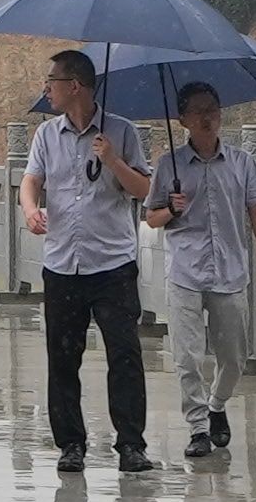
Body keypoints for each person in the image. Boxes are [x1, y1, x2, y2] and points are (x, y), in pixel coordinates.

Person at [21, 49, 157, 475]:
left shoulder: (122, 131)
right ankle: (71, 444)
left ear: (75, 85)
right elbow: (31, 179)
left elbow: (143, 191)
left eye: (52, 81)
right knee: (63, 357)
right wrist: (30, 208)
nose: (47, 89)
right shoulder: (46, 134)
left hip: (112, 263)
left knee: (125, 355)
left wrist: (112, 159)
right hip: (63, 264)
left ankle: (131, 444)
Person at [144, 82, 256, 460]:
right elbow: (151, 218)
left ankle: (217, 403)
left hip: (230, 272)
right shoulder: (168, 165)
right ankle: (198, 428)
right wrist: (171, 209)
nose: (207, 117)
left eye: (213, 109)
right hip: (185, 272)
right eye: (198, 111)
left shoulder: (242, 163)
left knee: (235, 357)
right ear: (182, 120)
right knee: (187, 356)